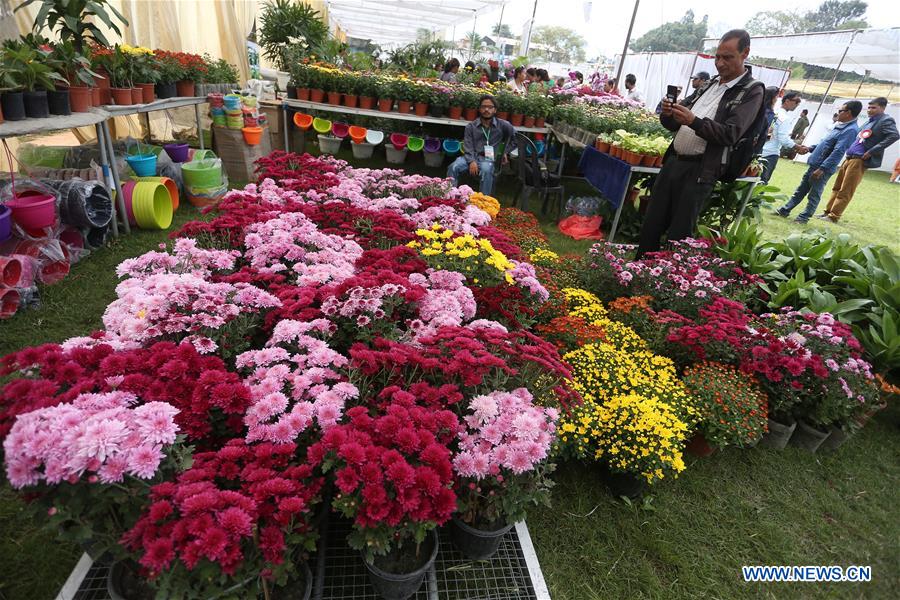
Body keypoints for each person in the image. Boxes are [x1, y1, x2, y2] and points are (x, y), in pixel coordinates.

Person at [635, 29, 764, 258]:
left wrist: (693, 121)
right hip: (674, 162)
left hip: (700, 170)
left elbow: (730, 133)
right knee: (651, 224)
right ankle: (635, 278)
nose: (720, 63)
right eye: (717, 57)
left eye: (728, 57)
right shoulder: (710, 84)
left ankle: (664, 285)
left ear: (745, 53)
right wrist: (669, 113)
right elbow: (675, 124)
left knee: (679, 233)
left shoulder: (751, 90)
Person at [775, 101, 862, 224]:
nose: (838, 113)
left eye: (841, 111)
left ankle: (803, 218)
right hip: (816, 164)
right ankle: (784, 210)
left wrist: (822, 168)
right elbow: (825, 143)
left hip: (821, 168)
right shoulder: (840, 125)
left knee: (814, 195)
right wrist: (810, 148)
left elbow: (838, 152)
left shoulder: (851, 130)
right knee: (801, 190)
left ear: (848, 113)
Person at [817, 97, 899, 222]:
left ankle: (834, 216)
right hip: (850, 157)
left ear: (883, 108)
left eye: (874, 108)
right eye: (869, 107)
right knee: (837, 187)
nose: (870, 110)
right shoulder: (869, 121)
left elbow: (894, 135)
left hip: (859, 160)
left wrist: (872, 151)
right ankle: (827, 212)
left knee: (846, 189)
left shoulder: (886, 120)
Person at [447, 94, 517, 196]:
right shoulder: (471, 127)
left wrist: (504, 151)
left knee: (486, 170)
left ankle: (484, 202)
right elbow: (468, 146)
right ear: (479, 109)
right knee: (453, 167)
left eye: (490, 107)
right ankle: (449, 197)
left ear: (495, 110)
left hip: (489, 159)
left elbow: (516, 139)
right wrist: (471, 161)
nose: (486, 110)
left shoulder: (503, 125)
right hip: (471, 156)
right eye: (483, 107)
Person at [760, 90, 803, 183]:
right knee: (762, 182)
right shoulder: (785, 118)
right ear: (787, 101)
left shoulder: (774, 113)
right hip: (771, 154)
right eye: (796, 101)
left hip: (760, 151)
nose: (797, 104)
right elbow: (783, 139)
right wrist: (797, 147)